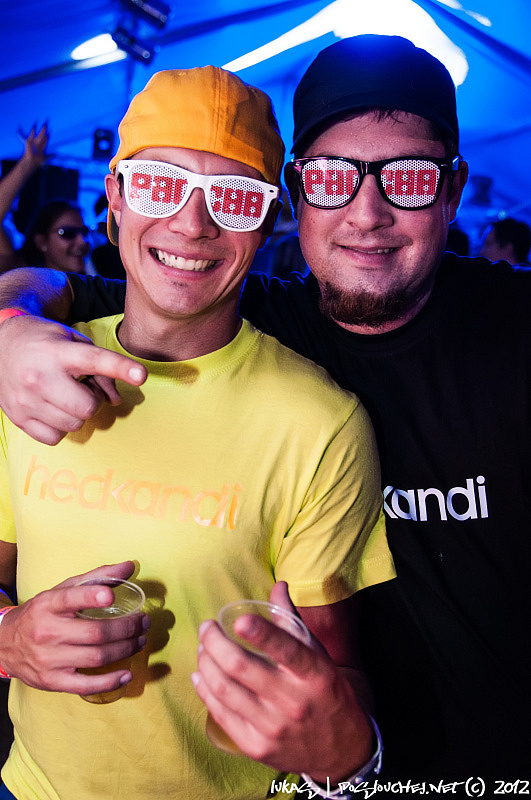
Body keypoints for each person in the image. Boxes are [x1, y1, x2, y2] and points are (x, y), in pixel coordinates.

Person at [0, 33, 528, 784]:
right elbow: (72, 288)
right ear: (297, 197)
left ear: (450, 191)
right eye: (333, 178)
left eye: (408, 177)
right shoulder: (203, 321)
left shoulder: (500, 335)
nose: (367, 213)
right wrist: (10, 329)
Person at [0, 126, 91, 275]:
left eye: (85, 232)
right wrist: (28, 163)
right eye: (67, 233)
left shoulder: (97, 283)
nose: (83, 241)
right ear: (41, 242)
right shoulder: (21, 277)